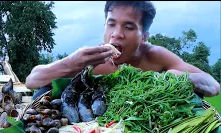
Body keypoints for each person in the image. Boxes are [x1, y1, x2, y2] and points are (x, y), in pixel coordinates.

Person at [26, 1, 220, 100]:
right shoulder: (90, 59)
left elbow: (212, 86)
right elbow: (32, 81)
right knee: (43, 93)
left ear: (144, 36)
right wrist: (72, 63)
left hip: (150, 128)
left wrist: (174, 76)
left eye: (128, 27)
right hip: (97, 126)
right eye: (111, 24)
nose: (116, 34)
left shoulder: (154, 55)